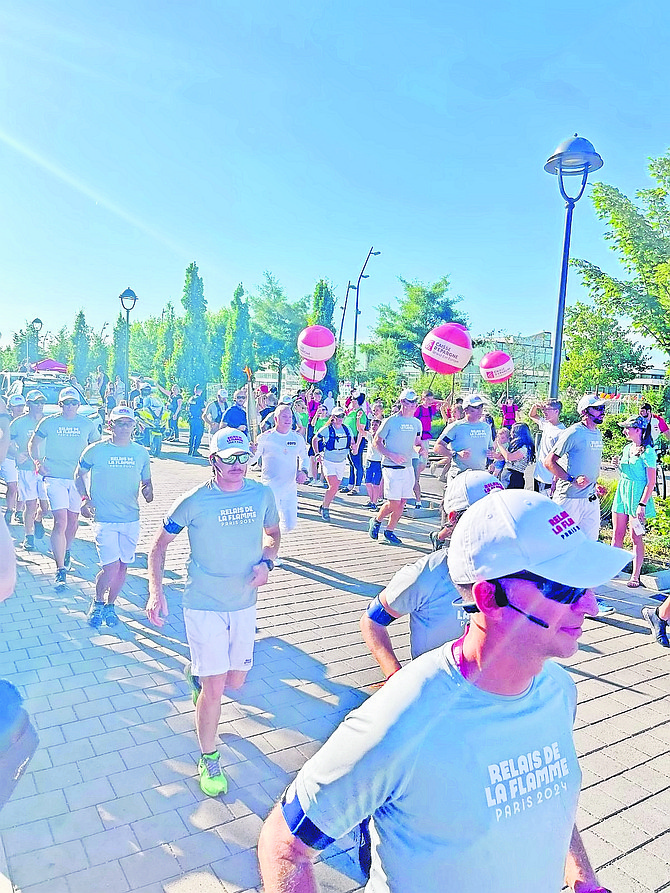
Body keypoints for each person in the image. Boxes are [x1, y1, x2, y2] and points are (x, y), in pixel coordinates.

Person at [258, 489, 629, 893]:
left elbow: (543, 796)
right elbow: (283, 845)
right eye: (565, 589)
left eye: (586, 584)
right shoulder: (402, 718)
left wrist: (583, 876)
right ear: (490, 597)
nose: (590, 605)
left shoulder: (559, 691)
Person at [146, 428, 280, 797]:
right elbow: (157, 549)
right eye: (229, 458)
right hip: (203, 603)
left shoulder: (262, 494)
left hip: (244, 603)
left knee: (235, 681)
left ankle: (196, 674)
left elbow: (273, 534)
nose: (238, 465)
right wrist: (156, 593)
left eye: (243, 457)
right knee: (217, 688)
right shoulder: (193, 501)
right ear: (213, 460)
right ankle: (209, 757)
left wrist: (268, 564)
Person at [361, 470, 503, 679]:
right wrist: (396, 678)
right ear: (454, 518)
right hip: (438, 693)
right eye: (487, 516)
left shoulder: (514, 569)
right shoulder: (427, 573)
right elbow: (371, 622)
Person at [75, 406, 153, 627]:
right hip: (104, 519)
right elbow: (78, 475)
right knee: (110, 567)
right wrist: (84, 499)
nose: (125, 427)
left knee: (123, 566)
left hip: (131, 519)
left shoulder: (140, 452)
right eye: (120, 423)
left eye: (128, 423)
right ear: (110, 426)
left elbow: (147, 482)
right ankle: (97, 602)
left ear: (134, 426)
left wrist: (149, 492)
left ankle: (111, 606)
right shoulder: (95, 450)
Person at [544, 394, 613, 617]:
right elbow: (549, 462)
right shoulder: (574, 432)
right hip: (569, 499)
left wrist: (595, 485)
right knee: (559, 546)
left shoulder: (597, 433)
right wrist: (572, 479)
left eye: (602, 408)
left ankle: (586, 597)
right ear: (585, 411)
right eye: (597, 408)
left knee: (589, 548)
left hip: (589, 500)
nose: (602, 411)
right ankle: (547, 594)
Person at [28, 387, 100, 586]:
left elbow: (97, 448)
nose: (70, 407)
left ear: (79, 405)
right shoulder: (49, 422)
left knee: (72, 521)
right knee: (60, 521)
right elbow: (34, 443)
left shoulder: (87, 424)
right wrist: (37, 462)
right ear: (60, 405)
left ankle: (67, 550)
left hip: (77, 479)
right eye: (66, 403)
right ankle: (60, 568)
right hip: (55, 477)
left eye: (73, 403)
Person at [369, 388, 426, 546]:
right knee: (393, 503)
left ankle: (390, 531)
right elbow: (376, 442)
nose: (413, 405)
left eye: (415, 402)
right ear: (402, 402)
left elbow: (416, 442)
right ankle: (377, 520)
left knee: (402, 502)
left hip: (407, 467)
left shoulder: (416, 423)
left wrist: (421, 448)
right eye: (409, 402)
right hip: (390, 467)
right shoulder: (390, 421)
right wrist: (391, 455)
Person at [255, 405, 309, 560]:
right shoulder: (265, 438)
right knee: (272, 524)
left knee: (290, 524)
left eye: (290, 417)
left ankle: (272, 543)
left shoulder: (296, 439)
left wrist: (304, 471)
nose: (288, 420)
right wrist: (251, 451)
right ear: (276, 419)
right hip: (270, 488)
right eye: (284, 417)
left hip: (290, 488)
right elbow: (252, 459)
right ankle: (271, 553)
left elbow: (304, 458)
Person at [610, 416, 656, 589]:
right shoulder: (627, 447)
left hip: (637, 495)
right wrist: (617, 465)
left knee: (635, 537)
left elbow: (650, 482)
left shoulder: (648, 452)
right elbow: (626, 471)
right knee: (617, 533)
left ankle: (635, 575)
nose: (624, 431)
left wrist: (642, 504)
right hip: (622, 492)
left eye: (627, 428)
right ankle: (613, 568)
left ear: (638, 430)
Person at [9, 390, 46, 551]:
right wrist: (16, 454)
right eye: (36, 402)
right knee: (30, 504)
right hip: (26, 468)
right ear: (28, 404)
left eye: (41, 402)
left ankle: (39, 519)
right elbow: (5, 442)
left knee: (46, 507)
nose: (39, 405)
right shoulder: (18, 423)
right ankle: (28, 536)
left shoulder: (48, 422)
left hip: (45, 469)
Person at [312, 407, 361, 522]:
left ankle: (323, 505)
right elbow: (315, 439)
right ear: (333, 417)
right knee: (333, 486)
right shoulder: (326, 429)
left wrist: (354, 448)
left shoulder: (347, 429)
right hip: (329, 461)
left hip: (341, 461)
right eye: (338, 416)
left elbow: (352, 442)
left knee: (334, 487)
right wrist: (317, 454)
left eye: (342, 416)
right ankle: (326, 508)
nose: (340, 418)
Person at [434, 394, 493, 484]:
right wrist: (455, 454)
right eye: (475, 407)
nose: (479, 410)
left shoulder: (486, 427)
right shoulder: (456, 426)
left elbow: (490, 447)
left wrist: (492, 454)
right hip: (459, 474)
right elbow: (438, 446)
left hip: (479, 475)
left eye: (481, 406)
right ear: (466, 409)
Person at [530, 399, 565, 493]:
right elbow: (532, 415)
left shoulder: (561, 432)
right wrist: (535, 406)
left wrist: (555, 480)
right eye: (543, 410)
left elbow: (561, 459)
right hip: (538, 475)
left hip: (549, 478)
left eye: (547, 410)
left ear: (556, 411)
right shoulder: (546, 424)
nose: (544, 412)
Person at [2, 395, 27, 525]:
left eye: (21, 406)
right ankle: (9, 510)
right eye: (17, 406)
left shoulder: (26, 420)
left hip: (24, 459)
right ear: (10, 407)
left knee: (22, 486)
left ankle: (19, 511)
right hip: (9, 458)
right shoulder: (5, 421)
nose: (19, 409)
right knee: (12, 486)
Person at [413, 391, 439, 508]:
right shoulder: (418, 409)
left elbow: (444, 404)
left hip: (426, 438)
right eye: (428, 399)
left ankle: (415, 480)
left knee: (423, 464)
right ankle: (416, 483)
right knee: (417, 463)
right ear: (423, 398)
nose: (430, 402)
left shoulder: (430, 409)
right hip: (418, 438)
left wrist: (435, 401)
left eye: (431, 400)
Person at [497, 421, 536, 489]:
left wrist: (500, 445)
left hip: (514, 477)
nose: (511, 433)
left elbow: (509, 457)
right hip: (507, 475)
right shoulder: (515, 445)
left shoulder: (525, 448)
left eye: (512, 431)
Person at [342, 393, 368, 497]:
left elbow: (361, 431)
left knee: (357, 464)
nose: (351, 401)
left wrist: (357, 445)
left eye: (353, 399)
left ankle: (357, 487)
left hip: (357, 440)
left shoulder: (360, 413)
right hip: (349, 439)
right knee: (352, 463)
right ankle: (350, 484)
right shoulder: (352, 412)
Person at [363, 417, 383, 509]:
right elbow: (360, 430)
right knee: (368, 482)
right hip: (369, 460)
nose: (374, 427)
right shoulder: (369, 435)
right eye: (372, 425)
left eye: (376, 425)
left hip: (378, 461)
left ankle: (374, 502)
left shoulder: (381, 437)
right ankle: (371, 500)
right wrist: (359, 419)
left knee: (376, 484)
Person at [186, 385, 206, 456]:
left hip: (191, 419)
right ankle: (195, 450)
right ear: (201, 391)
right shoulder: (200, 399)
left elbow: (187, 408)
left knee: (192, 435)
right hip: (199, 419)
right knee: (198, 435)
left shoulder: (191, 399)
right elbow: (203, 409)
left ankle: (190, 450)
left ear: (195, 390)